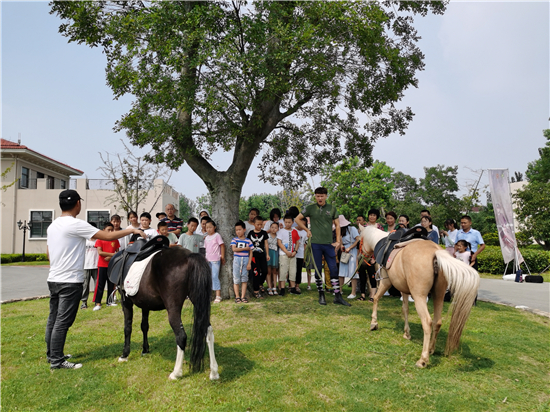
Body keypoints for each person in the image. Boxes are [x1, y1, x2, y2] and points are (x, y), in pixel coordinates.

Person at [46, 189, 144, 370]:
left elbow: (48, 252)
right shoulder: (75, 224)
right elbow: (107, 235)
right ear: (77, 204)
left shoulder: (53, 226)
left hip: (54, 278)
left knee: (53, 317)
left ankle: (52, 354)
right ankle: (57, 360)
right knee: (63, 320)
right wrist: (131, 230)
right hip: (70, 281)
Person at [295, 187, 350, 306]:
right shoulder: (310, 208)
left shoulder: (332, 208)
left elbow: (337, 224)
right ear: (315, 196)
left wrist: (338, 240)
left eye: (322, 196)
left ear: (326, 196)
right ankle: (321, 295)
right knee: (318, 269)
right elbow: (297, 219)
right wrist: (306, 230)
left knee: (333, 269)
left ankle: (337, 296)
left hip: (329, 244)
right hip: (315, 244)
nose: (320, 198)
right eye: (318, 196)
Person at [92, 222, 120, 311]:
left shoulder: (115, 240)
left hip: (112, 265)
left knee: (111, 284)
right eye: (108, 230)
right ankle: (98, 302)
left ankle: (110, 301)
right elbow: (100, 252)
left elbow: (118, 253)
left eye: (112, 230)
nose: (110, 231)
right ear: (104, 230)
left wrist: (111, 256)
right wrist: (112, 254)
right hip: (102, 265)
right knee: (101, 284)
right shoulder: (99, 240)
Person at [277, 214, 301, 296]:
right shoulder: (281, 231)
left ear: (292, 222)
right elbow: (279, 242)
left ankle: (293, 288)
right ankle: (282, 289)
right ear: (284, 222)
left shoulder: (294, 231)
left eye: (289, 222)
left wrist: (295, 251)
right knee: (283, 271)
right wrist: (286, 251)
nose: (287, 224)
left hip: (293, 255)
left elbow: (297, 242)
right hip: (284, 254)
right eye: (286, 222)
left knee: (293, 271)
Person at [247, 216, 270, 298]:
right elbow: (248, 245)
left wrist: (267, 254)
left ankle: (260, 283)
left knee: (265, 271)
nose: (259, 226)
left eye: (261, 224)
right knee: (256, 273)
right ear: (254, 224)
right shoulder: (250, 233)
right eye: (258, 224)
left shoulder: (264, 233)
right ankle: (256, 291)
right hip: (253, 256)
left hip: (262, 255)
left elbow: (266, 244)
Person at [231, 221, 254, 303]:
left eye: (239, 230)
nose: (238, 232)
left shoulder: (248, 240)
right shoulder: (234, 239)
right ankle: (237, 296)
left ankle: (243, 296)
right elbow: (234, 249)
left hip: (245, 260)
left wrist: (249, 263)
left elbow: (251, 251)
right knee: (236, 279)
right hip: (237, 260)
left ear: (244, 230)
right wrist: (245, 249)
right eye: (236, 230)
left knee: (244, 279)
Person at [338, 215, 360, 299]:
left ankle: (353, 292)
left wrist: (350, 248)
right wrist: (342, 246)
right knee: (341, 272)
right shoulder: (340, 231)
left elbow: (358, 239)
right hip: (344, 252)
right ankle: (340, 290)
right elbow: (340, 242)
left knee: (352, 271)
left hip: (352, 251)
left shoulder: (352, 229)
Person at [204, 220, 225, 303]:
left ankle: (218, 295)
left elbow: (222, 245)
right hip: (208, 259)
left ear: (214, 227)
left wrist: (222, 256)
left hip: (216, 259)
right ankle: (209, 295)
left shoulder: (217, 235)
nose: (208, 229)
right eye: (207, 228)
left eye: (210, 227)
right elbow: (206, 249)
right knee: (209, 277)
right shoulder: (206, 238)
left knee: (215, 276)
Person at [80, 222, 98, 309]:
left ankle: (96, 301)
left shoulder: (98, 240)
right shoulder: (84, 240)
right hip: (86, 266)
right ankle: (84, 302)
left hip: (96, 265)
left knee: (97, 285)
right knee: (85, 285)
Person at [294, 216, 308, 293]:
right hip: (292, 253)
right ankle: (291, 285)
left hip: (300, 253)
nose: (302, 226)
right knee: (292, 270)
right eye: (301, 224)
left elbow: (305, 244)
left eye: (304, 224)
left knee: (299, 270)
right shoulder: (293, 230)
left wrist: (304, 255)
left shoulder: (305, 232)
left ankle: (297, 285)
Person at [266, 222, 280, 296]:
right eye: (272, 227)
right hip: (268, 253)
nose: (273, 229)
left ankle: (275, 287)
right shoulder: (267, 236)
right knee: (268, 271)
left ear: (278, 229)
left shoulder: (278, 236)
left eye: (275, 227)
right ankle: (269, 287)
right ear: (270, 228)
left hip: (275, 253)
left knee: (274, 271)